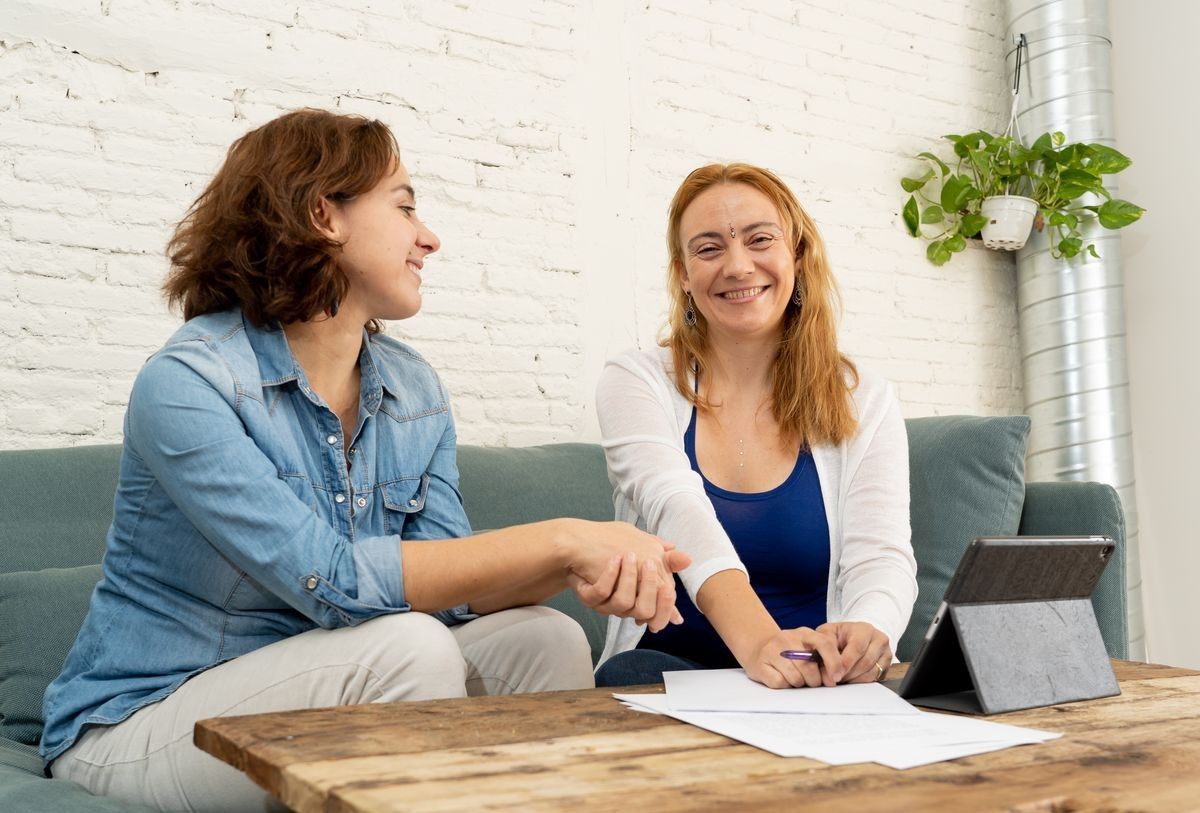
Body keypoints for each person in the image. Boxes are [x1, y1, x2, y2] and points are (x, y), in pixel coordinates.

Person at [40, 109, 688, 813]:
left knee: (545, 636)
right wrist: (564, 536)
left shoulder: (412, 388)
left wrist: (569, 567)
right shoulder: (190, 383)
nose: (429, 238)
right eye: (405, 206)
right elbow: (335, 582)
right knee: (410, 649)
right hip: (144, 722)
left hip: (326, 683)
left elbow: (451, 582)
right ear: (324, 214)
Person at [593, 163, 917, 690]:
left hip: (810, 682)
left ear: (797, 253)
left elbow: (880, 555)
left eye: (760, 239)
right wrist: (764, 644)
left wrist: (869, 629)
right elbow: (676, 507)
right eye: (709, 248)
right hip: (664, 673)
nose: (739, 265)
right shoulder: (635, 380)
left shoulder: (865, 397)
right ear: (682, 273)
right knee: (627, 674)